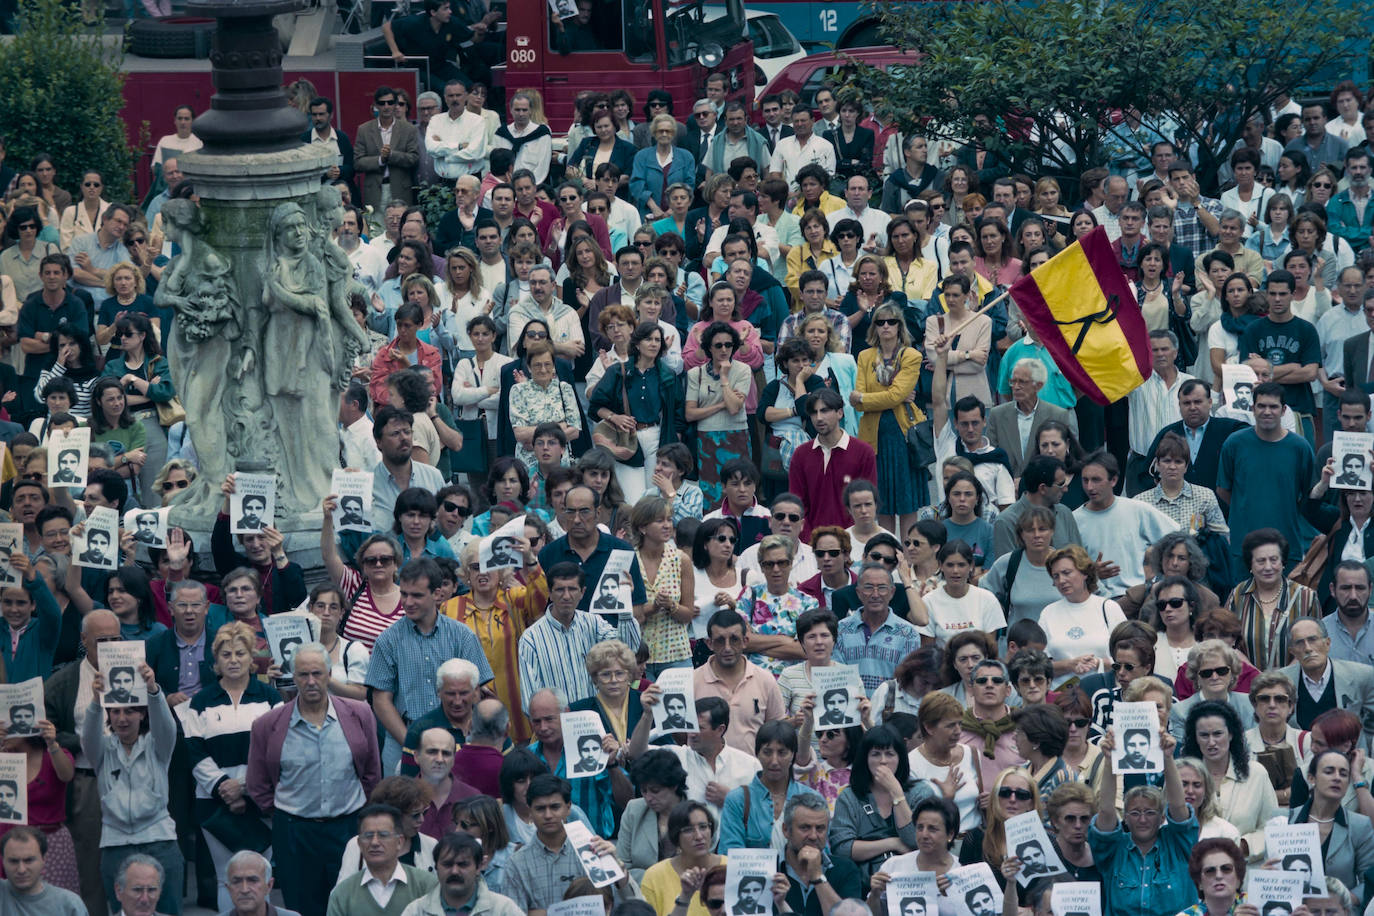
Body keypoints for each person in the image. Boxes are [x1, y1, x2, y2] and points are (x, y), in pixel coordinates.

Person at [246, 643, 381, 916]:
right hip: (295, 833)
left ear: (329, 674)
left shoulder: (359, 713)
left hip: (347, 829)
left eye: (317, 674)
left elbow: (371, 773)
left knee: (351, 905)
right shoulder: (268, 725)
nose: (311, 682)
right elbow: (258, 784)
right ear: (293, 677)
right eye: (303, 675)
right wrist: (285, 813)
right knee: (301, 907)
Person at [183, 621, 282, 911]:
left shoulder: (269, 699)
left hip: (261, 803)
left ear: (252, 658)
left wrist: (243, 787)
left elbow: (275, 752)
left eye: (240, 653)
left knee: (259, 875)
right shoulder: (200, 702)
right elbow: (194, 751)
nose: (234, 660)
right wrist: (223, 788)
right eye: (226, 654)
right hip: (214, 805)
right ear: (216, 660)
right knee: (227, 877)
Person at [82, 658, 183, 914]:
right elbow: (88, 737)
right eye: (115, 711)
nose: (122, 718)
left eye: (129, 711)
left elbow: (167, 726)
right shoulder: (101, 750)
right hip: (115, 844)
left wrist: (153, 691)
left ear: (142, 713)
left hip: (159, 840)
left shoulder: (158, 746)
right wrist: (96, 700)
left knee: (168, 911)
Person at [326, 804, 438, 916]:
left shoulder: (426, 886)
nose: (374, 842)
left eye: (383, 835)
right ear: (359, 843)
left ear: (399, 842)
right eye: (368, 835)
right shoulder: (343, 894)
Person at [0, 826, 86, 915]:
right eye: (13, 861)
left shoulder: (69, 904)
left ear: (44, 859)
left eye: (29, 860)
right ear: (3, 861)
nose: (21, 870)